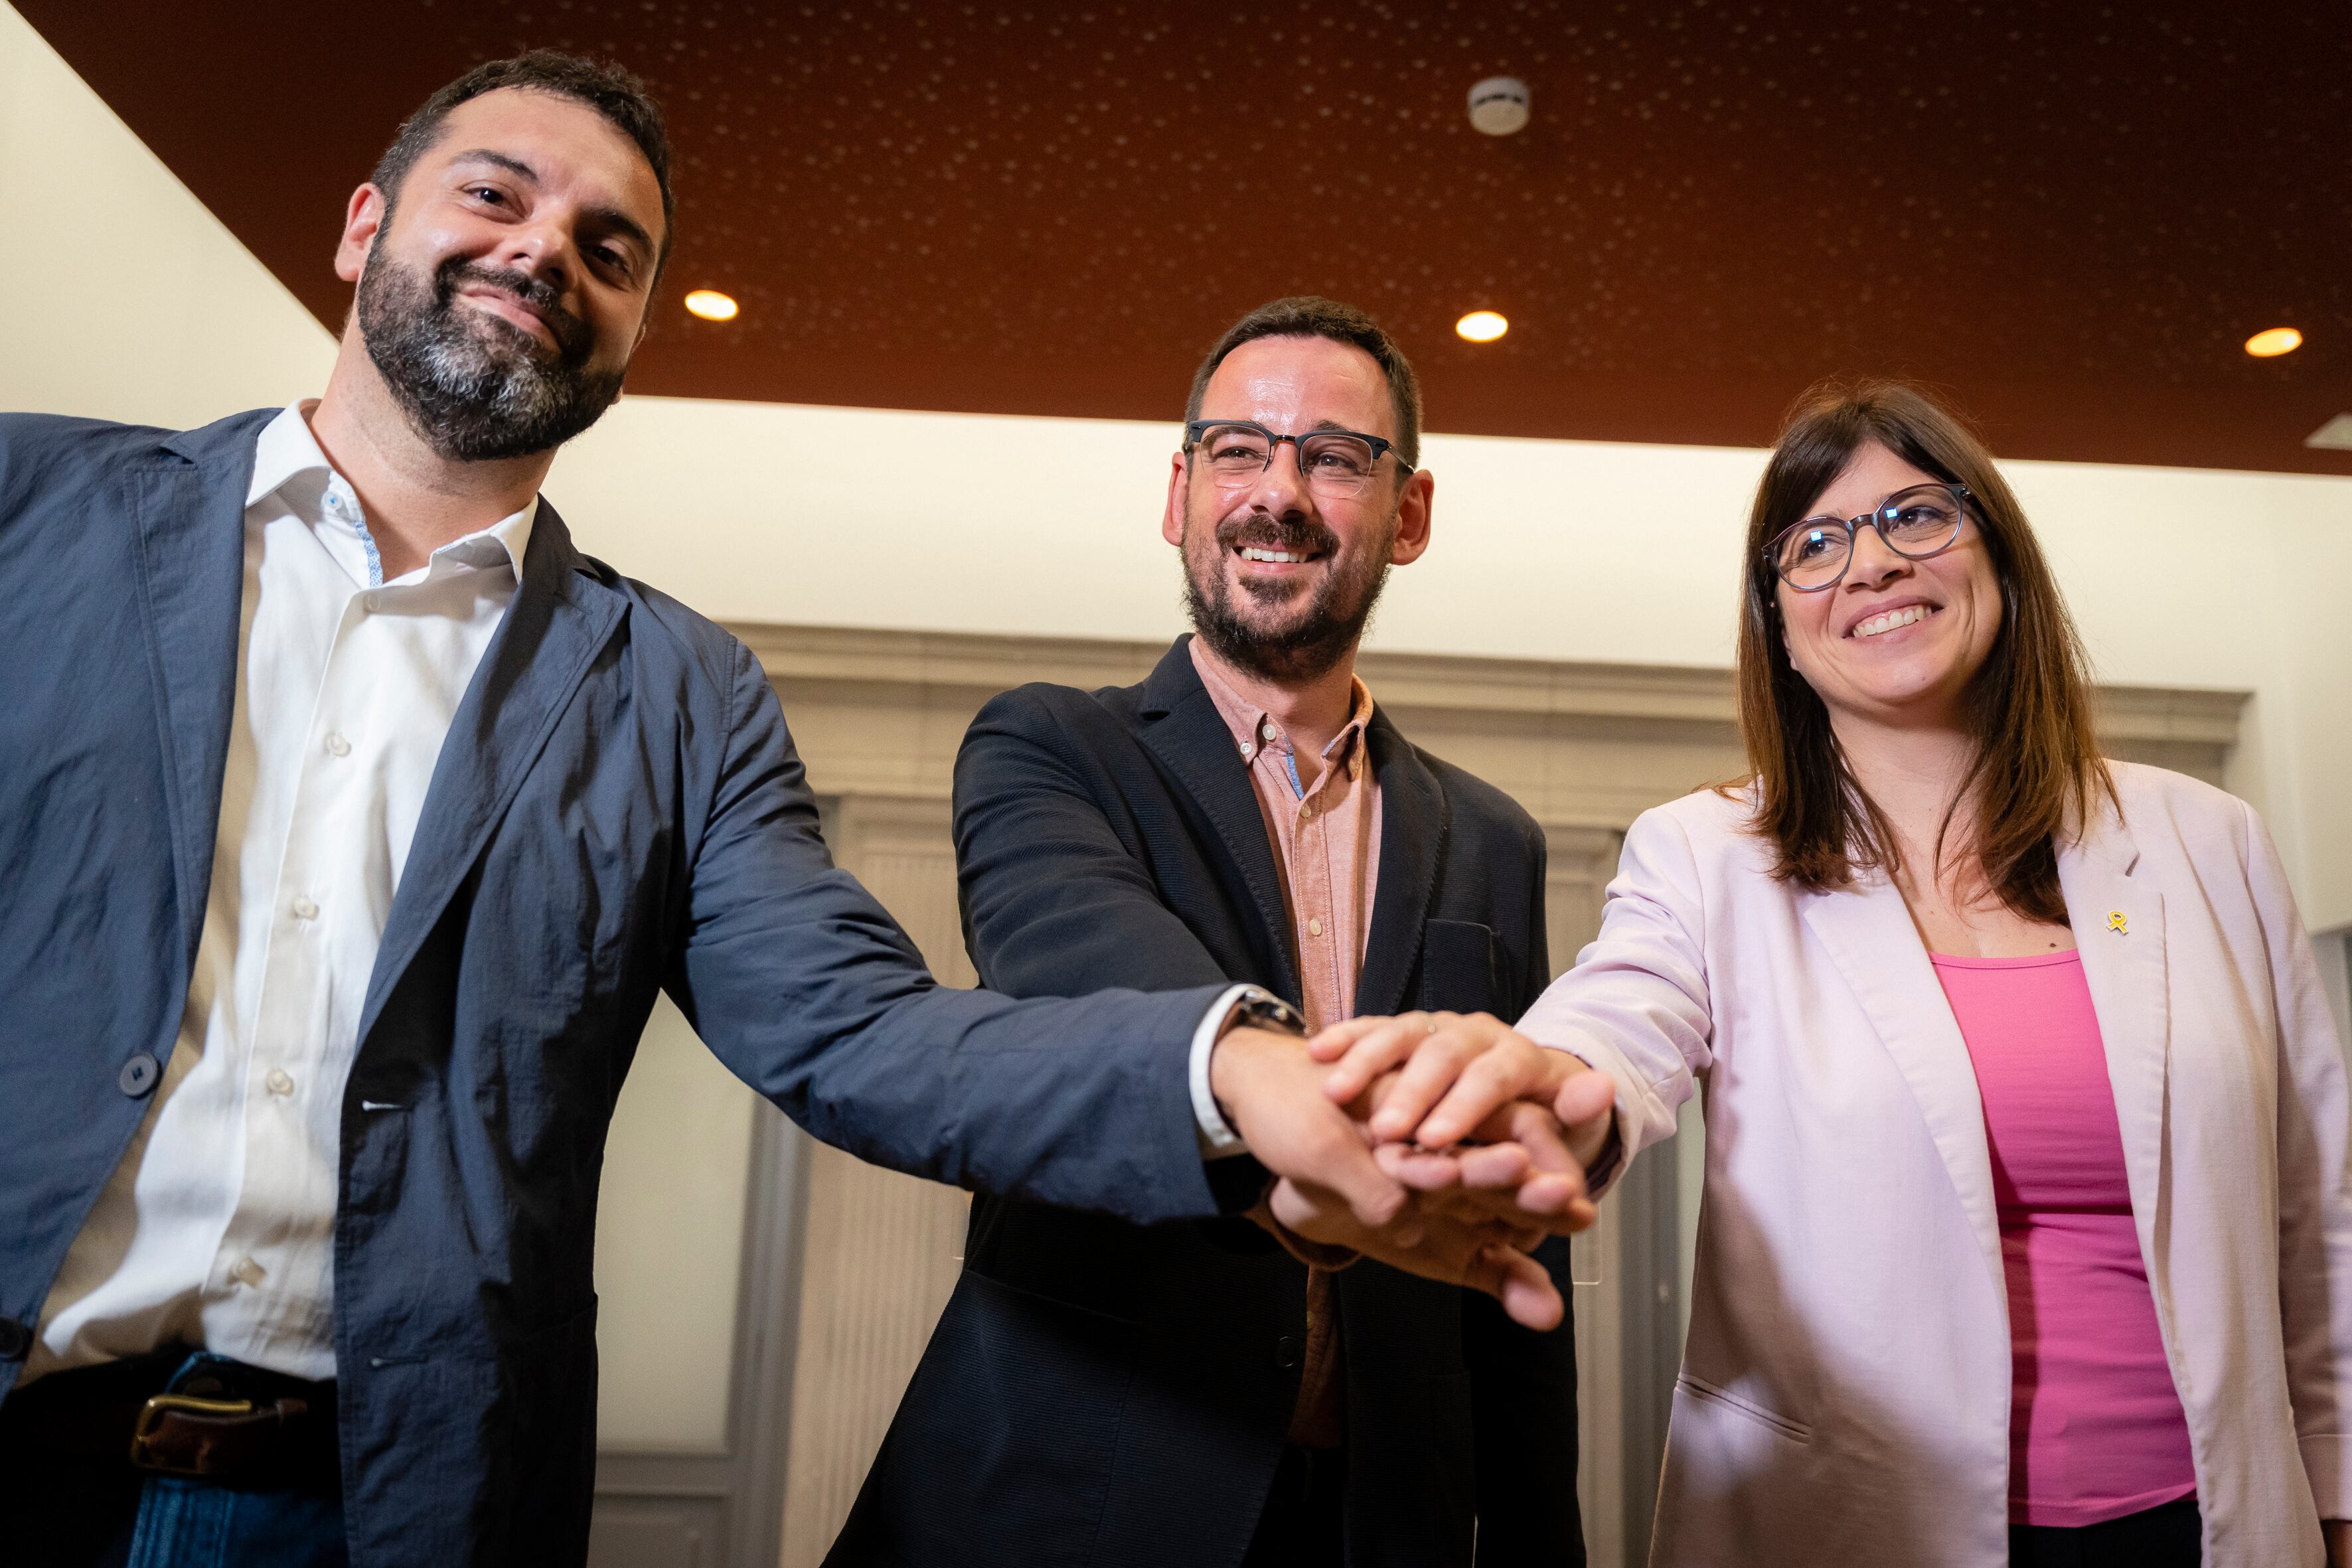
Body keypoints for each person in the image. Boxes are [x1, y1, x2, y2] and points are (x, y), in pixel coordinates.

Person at [0, 56, 1575, 1568]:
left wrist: (1229, 1075)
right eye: (496, 193)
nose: (546, 249)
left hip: (392, 1500)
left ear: (629, 326)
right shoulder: (34, 513)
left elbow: (861, 1031)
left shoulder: (677, 691)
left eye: (608, 248)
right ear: (363, 225)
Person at [1312, 381, 2352, 1567]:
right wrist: (1532, 1084)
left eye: (1915, 516)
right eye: (1814, 543)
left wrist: (2341, 1493)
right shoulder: (1707, 854)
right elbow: (1615, 1025)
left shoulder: (2204, 839)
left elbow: (2318, 1211)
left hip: (2213, 1523)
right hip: (1863, 1524)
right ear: (1781, 625)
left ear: (1996, 556)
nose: (1868, 564)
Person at [831, 298, 1607, 1568]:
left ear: (1408, 515)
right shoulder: (1048, 749)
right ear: (1181, 491)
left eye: (1336, 457)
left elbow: (1516, 1232)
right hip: (1074, 1494)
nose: (1279, 492)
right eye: (1240, 450)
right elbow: (1083, 966)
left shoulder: (1495, 839)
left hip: (1381, 1519)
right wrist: (1269, 1086)